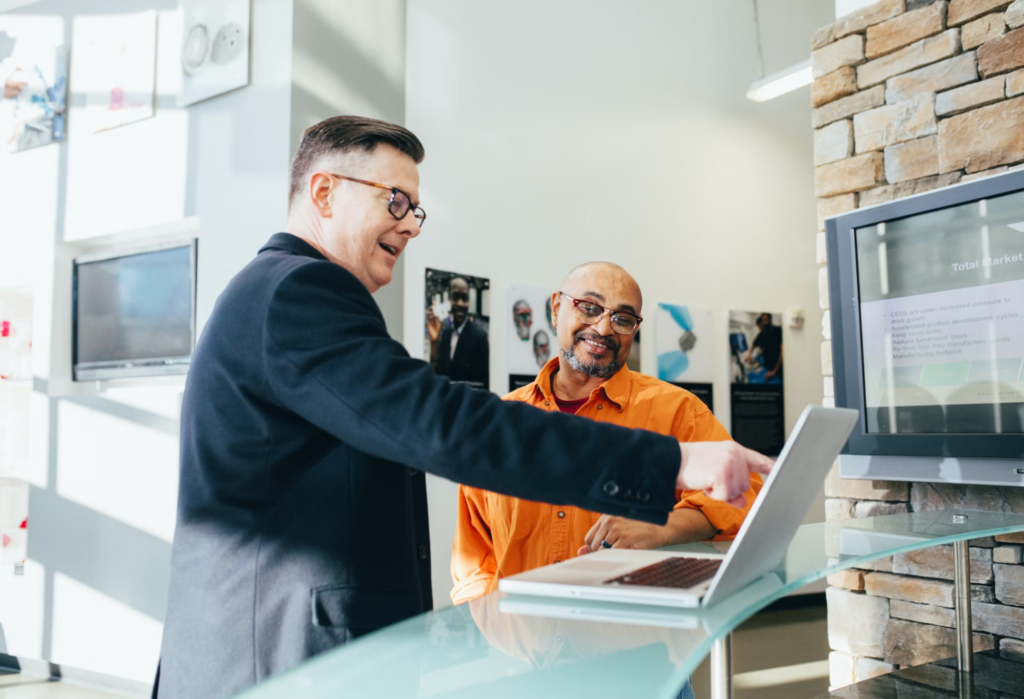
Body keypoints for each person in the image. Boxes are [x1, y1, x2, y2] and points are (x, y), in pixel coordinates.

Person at [155, 116, 772, 698]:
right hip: (277, 657)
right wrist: (671, 464)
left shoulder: (280, 293)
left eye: (415, 208)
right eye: (394, 200)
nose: (411, 224)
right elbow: (443, 424)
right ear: (323, 193)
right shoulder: (298, 291)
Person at [451, 263, 762, 604]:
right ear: (557, 308)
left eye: (623, 319)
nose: (603, 328)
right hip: (521, 645)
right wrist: (493, 633)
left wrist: (662, 526)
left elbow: (746, 493)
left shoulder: (677, 411)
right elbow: (474, 558)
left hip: (632, 642)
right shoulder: (501, 422)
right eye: (589, 307)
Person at [427, 276, 489, 388]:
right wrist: (434, 342)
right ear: (449, 299)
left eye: (464, 298)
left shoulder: (479, 337)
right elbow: (437, 375)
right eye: (455, 297)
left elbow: (483, 384)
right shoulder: (446, 334)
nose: (460, 304)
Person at [747, 312, 783, 383]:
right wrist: (750, 355)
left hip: (778, 369)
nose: (760, 328)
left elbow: (783, 352)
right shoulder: (762, 334)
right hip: (767, 367)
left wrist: (774, 371)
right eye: (763, 321)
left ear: (769, 319)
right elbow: (754, 345)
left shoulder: (777, 330)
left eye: (766, 320)